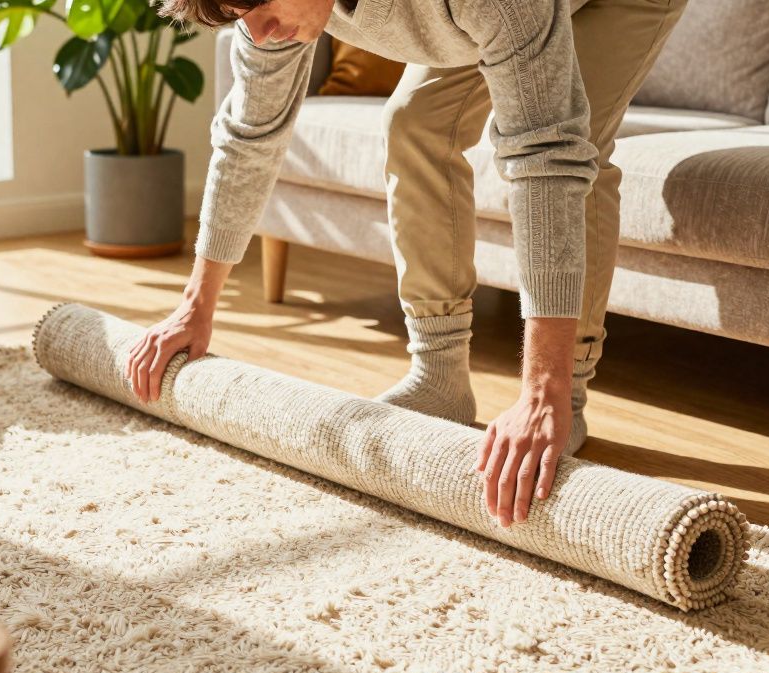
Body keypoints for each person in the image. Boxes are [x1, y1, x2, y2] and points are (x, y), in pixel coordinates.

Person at [131, 0, 689, 526]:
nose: (257, 33)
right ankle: (440, 373)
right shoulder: (266, 14)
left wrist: (542, 391)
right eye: (235, 16)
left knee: (577, 144)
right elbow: (249, 137)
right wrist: (194, 307)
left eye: (257, 8)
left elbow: (549, 158)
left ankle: (566, 394)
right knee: (415, 125)